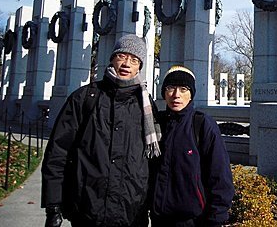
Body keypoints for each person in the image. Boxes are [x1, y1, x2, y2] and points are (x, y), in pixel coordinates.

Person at [41, 34, 161, 227]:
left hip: (131, 211)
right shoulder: (84, 98)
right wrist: (53, 205)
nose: (126, 64)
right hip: (87, 208)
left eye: (134, 59)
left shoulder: (146, 105)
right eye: (122, 56)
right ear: (112, 58)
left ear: (139, 66)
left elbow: (154, 162)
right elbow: (58, 152)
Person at [149, 65, 234, 227]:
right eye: (171, 88)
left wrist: (217, 217)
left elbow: (220, 174)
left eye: (183, 89)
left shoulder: (202, 124)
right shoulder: (156, 124)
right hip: (158, 217)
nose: (176, 95)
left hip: (193, 220)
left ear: (191, 94)